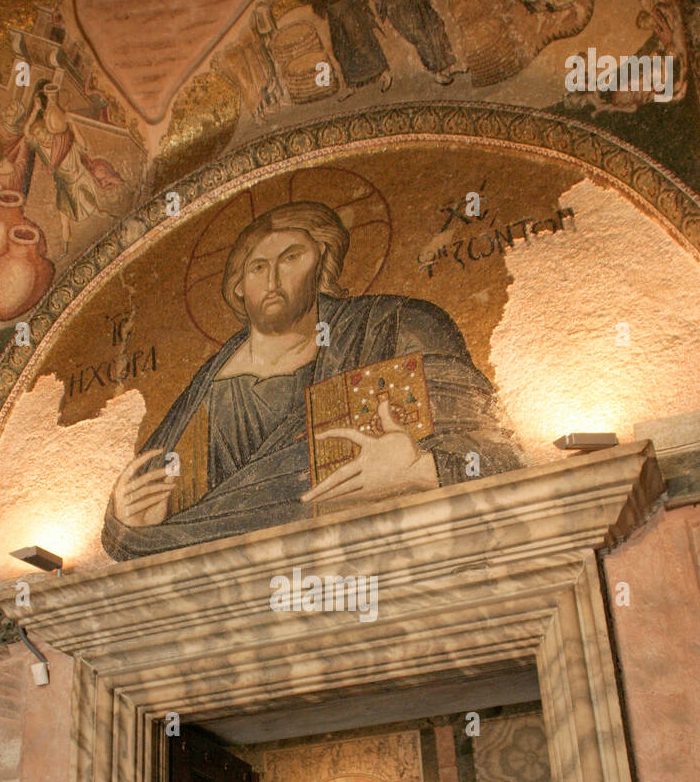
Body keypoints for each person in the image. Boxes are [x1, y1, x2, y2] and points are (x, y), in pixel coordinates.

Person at [103, 199, 520, 559]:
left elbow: (503, 461)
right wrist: (127, 524)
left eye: (290, 259)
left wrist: (420, 471)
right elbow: (138, 526)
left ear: (322, 259)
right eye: (257, 267)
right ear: (237, 288)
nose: (272, 281)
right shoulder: (207, 387)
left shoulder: (393, 329)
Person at [367, 0, 458, 84]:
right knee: (419, 34)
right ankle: (436, 71)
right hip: (397, 1)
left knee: (435, 23)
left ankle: (448, 65)